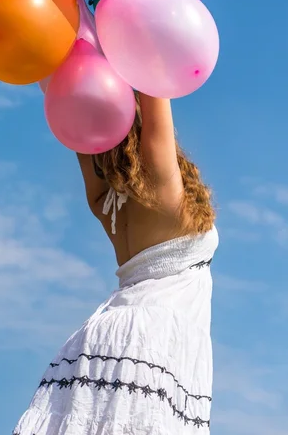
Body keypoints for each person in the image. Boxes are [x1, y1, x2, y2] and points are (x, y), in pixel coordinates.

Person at [13, 93, 218, 434]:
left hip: (103, 338)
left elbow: (73, 106)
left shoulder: (104, 202)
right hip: (150, 344)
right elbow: (156, 91)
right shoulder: (165, 190)